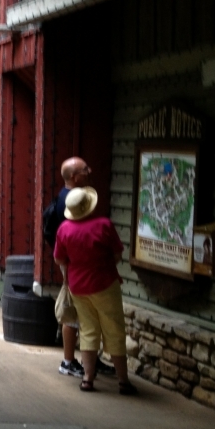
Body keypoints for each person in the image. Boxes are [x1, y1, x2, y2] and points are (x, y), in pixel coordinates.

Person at [54, 187, 137, 394]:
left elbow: (59, 258)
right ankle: (123, 381)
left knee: (88, 330)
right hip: (105, 283)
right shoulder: (104, 225)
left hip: (78, 286)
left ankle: (88, 378)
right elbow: (117, 254)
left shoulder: (64, 229)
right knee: (114, 330)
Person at [50, 156, 99, 378]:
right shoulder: (70, 202)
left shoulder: (67, 196)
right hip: (73, 263)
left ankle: (89, 359)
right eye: (84, 169)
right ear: (73, 176)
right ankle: (68, 361)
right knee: (72, 310)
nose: (89, 171)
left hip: (74, 263)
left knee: (84, 310)